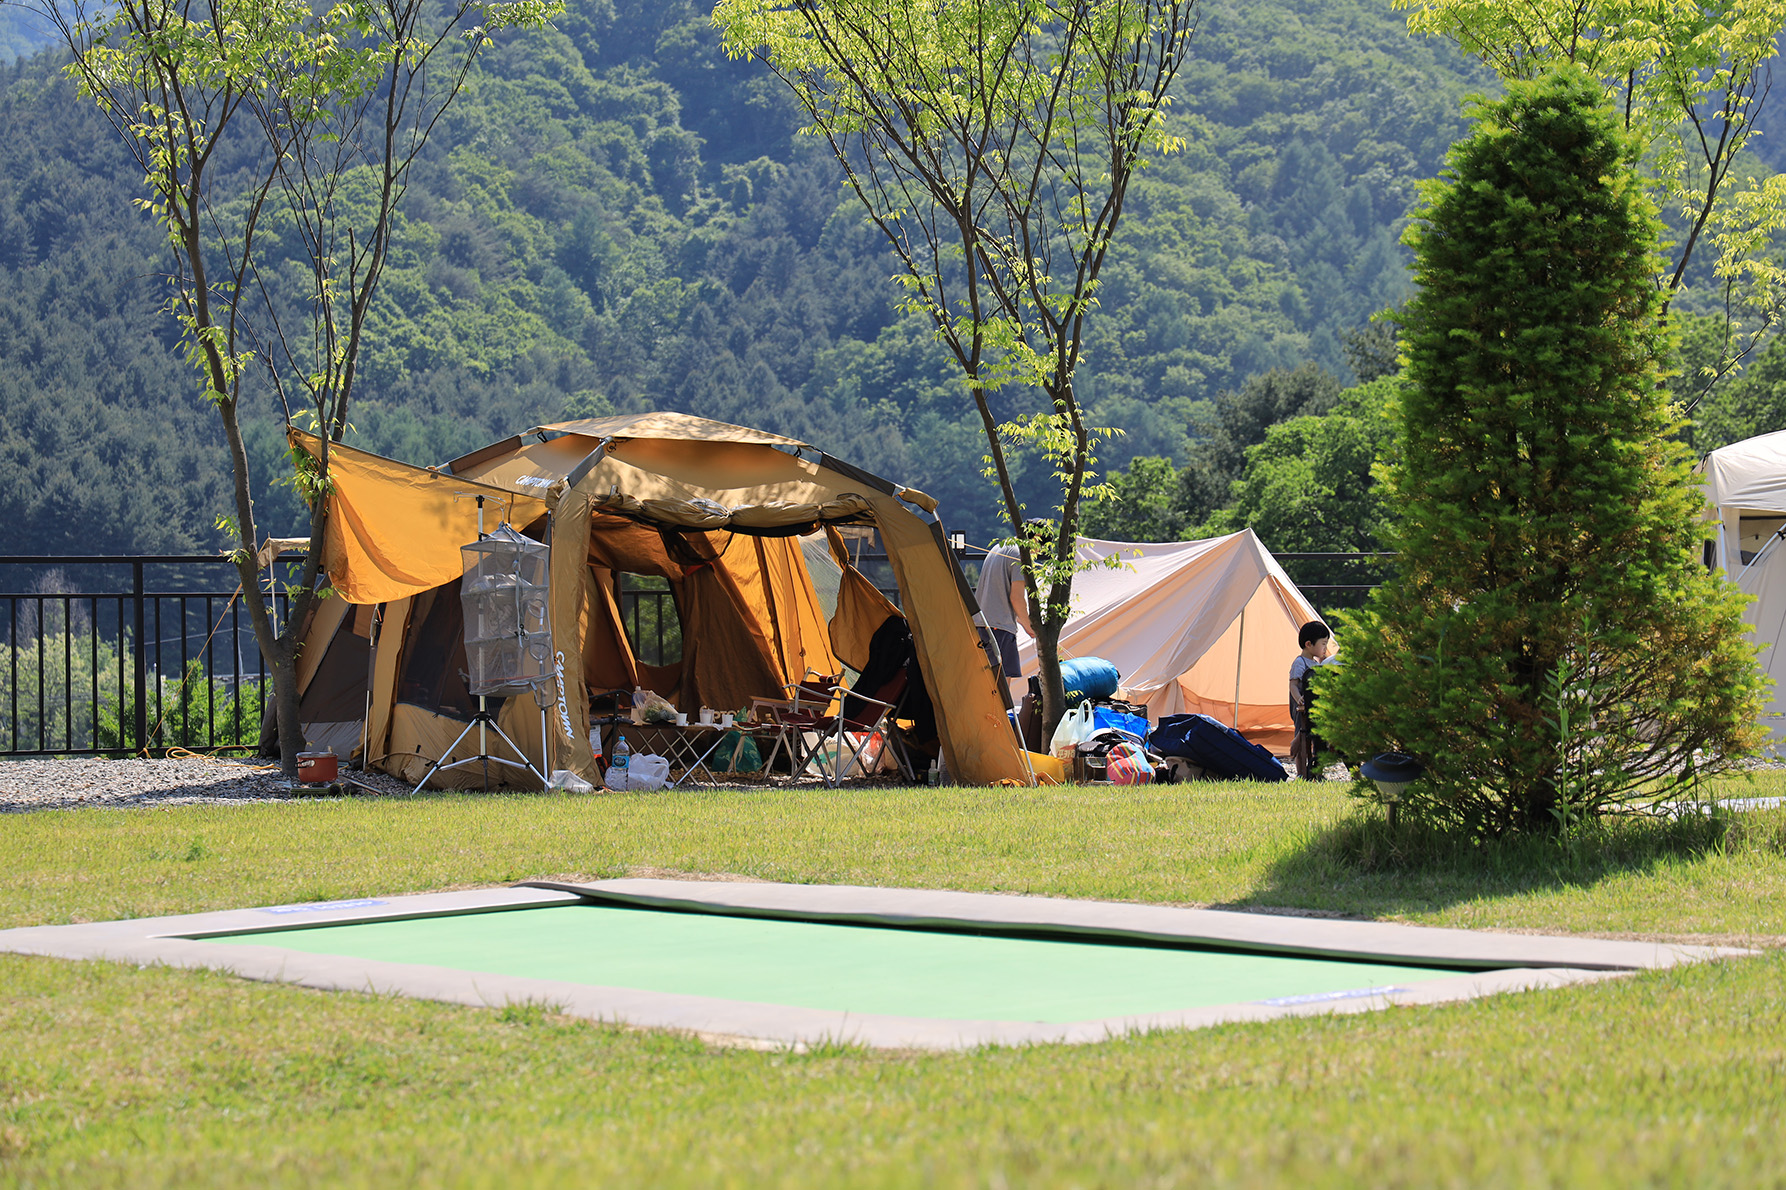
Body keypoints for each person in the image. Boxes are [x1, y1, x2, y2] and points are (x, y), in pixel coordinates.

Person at [975, 521, 1044, 702]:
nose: (1037, 554)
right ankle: (996, 728)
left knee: (982, 685)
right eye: (1040, 548)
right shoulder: (1019, 554)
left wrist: (1024, 623)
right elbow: (1016, 599)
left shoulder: (1000, 547)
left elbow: (1004, 598)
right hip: (999, 629)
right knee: (999, 692)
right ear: (1036, 538)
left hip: (981, 624)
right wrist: (1031, 628)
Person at [1289, 620, 1335, 780]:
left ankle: (1316, 769)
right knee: (1302, 738)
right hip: (1301, 708)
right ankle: (1301, 773)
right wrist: (1299, 699)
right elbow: (1293, 685)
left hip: (1313, 707)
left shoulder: (1316, 664)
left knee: (1315, 738)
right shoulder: (1300, 663)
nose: (1325, 648)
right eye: (1323, 644)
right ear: (1309, 644)